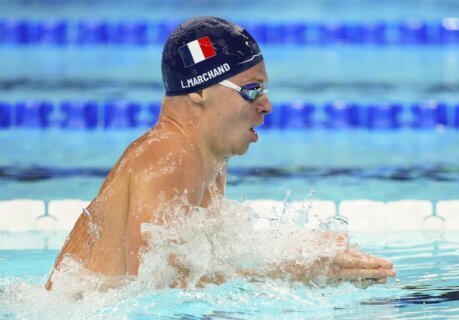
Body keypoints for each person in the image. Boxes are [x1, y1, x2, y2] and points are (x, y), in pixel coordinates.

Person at [45, 16, 395, 290]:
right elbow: (153, 286)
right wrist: (295, 274)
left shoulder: (207, 160)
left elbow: (198, 269)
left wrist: (303, 253)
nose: (267, 105)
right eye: (252, 90)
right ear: (199, 91)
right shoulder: (171, 151)